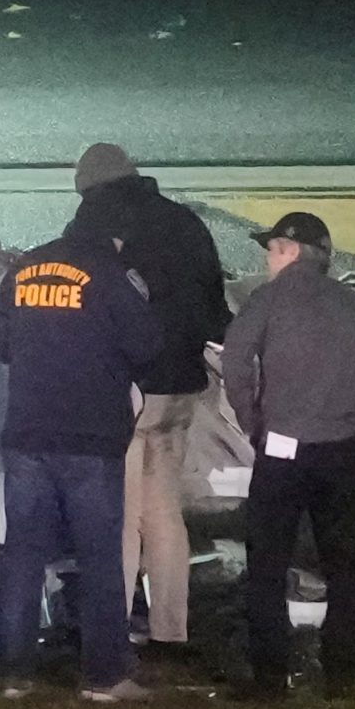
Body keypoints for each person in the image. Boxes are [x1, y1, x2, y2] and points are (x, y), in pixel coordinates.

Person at [221, 212, 355, 699]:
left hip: (281, 451)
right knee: (344, 566)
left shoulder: (266, 301)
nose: (267, 259)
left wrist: (253, 422)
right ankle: (341, 675)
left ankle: (270, 677)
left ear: (289, 251)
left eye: (271, 250)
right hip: (343, 451)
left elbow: (234, 361)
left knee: (268, 564)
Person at [0, 193, 162, 701]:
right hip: (90, 437)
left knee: (22, 553)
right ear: (115, 236)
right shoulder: (112, 274)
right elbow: (147, 347)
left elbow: (3, 345)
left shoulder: (24, 267)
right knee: (99, 556)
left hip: (27, 433)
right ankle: (105, 675)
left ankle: (14, 672)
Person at [73, 142, 232, 650]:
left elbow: (84, 297)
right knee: (163, 513)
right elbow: (216, 313)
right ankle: (170, 631)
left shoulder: (97, 220)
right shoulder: (185, 222)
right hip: (181, 386)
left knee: (119, 516)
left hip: (128, 391)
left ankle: (111, 633)